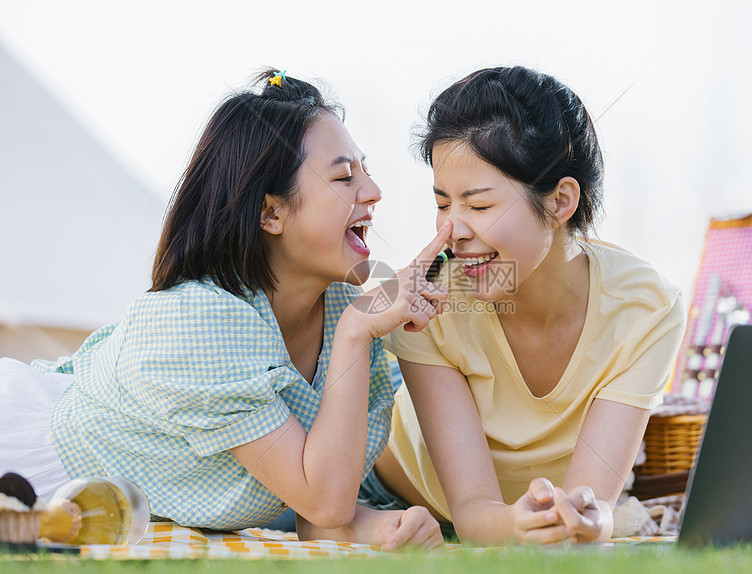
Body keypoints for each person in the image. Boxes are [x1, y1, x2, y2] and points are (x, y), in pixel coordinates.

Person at [0, 70, 447, 550]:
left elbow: (317, 499)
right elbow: (325, 501)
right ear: (271, 213)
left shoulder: (341, 304)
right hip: (28, 467)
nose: (374, 190)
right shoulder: (200, 321)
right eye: (343, 176)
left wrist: (378, 526)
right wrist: (358, 331)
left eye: (365, 169)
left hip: (107, 503)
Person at [358, 66, 687, 545]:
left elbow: (594, 502)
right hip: (394, 495)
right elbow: (472, 513)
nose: (453, 230)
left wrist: (588, 521)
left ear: (560, 202)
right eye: (443, 203)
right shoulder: (430, 301)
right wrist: (517, 524)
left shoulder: (648, 311)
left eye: (479, 205)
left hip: (505, 511)